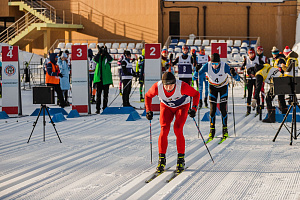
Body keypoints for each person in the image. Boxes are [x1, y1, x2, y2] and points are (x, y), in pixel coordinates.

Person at [145, 72, 200, 173]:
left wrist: (194, 109)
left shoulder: (182, 86)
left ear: (175, 83)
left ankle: (180, 159)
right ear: (163, 83)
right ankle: (161, 159)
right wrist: (148, 110)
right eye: (166, 85)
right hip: (166, 107)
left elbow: (196, 94)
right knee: (164, 129)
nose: (168, 87)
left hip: (182, 106)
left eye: (171, 85)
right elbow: (148, 96)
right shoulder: (157, 87)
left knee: (178, 129)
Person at [198, 53, 240, 143]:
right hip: (212, 88)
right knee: (212, 110)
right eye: (213, 63)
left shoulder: (224, 66)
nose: (215, 66)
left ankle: (225, 130)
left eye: (216, 64)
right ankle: (212, 130)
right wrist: (196, 72)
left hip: (223, 88)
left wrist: (234, 74)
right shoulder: (207, 65)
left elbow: (237, 79)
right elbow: (197, 74)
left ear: (220, 62)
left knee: (222, 109)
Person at [241, 48, 263, 116]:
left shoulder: (258, 58)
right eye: (250, 54)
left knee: (257, 93)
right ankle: (248, 109)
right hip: (249, 78)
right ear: (248, 54)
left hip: (256, 78)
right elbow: (242, 67)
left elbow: (263, 65)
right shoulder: (246, 59)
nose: (251, 55)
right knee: (249, 94)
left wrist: (256, 69)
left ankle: (258, 109)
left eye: (252, 54)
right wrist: (245, 69)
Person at [93, 46, 113, 114]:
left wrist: (106, 53)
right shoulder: (98, 57)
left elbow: (111, 59)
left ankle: (105, 107)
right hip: (99, 79)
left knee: (105, 95)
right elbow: (95, 59)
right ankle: (97, 109)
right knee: (98, 95)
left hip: (106, 79)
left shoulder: (106, 58)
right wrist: (99, 53)